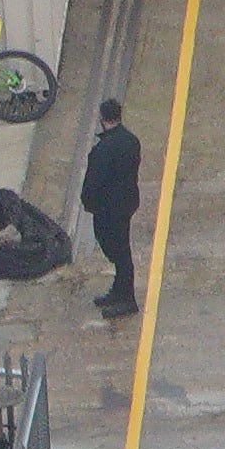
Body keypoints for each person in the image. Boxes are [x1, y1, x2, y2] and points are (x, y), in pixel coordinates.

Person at [80, 96, 145, 317]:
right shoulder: (131, 141)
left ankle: (127, 299)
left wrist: (89, 203)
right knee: (121, 249)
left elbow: (93, 182)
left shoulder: (103, 149)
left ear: (102, 118)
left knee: (117, 250)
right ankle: (119, 290)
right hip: (126, 204)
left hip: (107, 209)